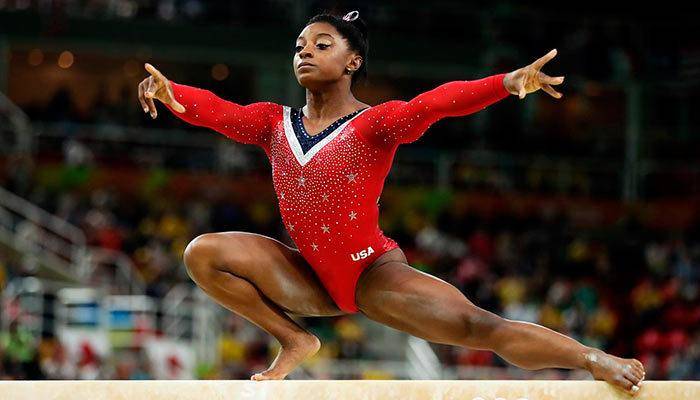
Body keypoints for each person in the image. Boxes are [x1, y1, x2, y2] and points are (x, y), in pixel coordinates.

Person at [137, 10, 645, 394]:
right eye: (299, 45)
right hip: (307, 276)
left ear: (352, 61)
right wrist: (170, 91)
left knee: (479, 326)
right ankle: (295, 339)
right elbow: (220, 112)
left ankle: (592, 359)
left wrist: (505, 84)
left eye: (321, 44)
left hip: (372, 274)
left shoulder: (375, 123)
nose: (304, 52)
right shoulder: (274, 123)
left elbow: (436, 103)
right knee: (202, 252)